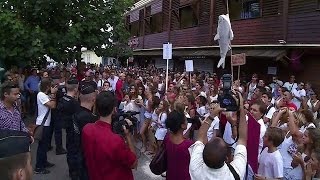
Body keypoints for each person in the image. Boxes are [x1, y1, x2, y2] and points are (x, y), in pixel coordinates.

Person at [189, 92, 248, 180]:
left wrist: (213, 114)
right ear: (227, 159)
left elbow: (200, 136)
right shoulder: (234, 174)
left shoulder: (195, 168)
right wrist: (241, 107)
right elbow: (242, 139)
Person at [82, 91, 137, 180]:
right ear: (114, 109)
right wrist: (128, 136)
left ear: (96, 106)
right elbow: (133, 163)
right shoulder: (115, 140)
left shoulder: (86, 129)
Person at [72, 85, 98, 180]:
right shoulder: (88, 118)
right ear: (93, 99)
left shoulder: (77, 110)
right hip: (85, 159)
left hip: (76, 153)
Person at [56, 78, 81, 179]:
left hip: (67, 128)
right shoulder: (73, 103)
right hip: (74, 130)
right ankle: (75, 173)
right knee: (75, 151)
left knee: (70, 151)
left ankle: (72, 171)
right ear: (75, 89)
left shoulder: (63, 98)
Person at [34, 78, 57, 174]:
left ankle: (44, 162)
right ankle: (39, 167)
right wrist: (53, 94)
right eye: (51, 86)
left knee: (45, 145)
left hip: (46, 123)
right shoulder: (41, 95)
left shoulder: (45, 95)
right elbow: (52, 105)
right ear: (48, 86)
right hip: (42, 124)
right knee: (42, 146)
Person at [164, 110, 193, 180]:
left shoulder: (167, 137)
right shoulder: (188, 145)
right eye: (186, 120)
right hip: (184, 176)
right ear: (182, 125)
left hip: (170, 174)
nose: (187, 122)